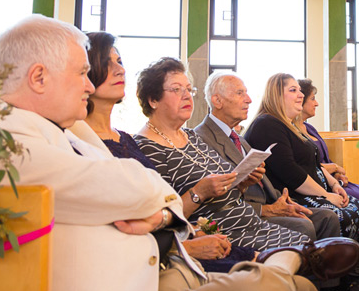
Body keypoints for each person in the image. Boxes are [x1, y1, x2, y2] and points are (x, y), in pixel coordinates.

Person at [0, 15, 345, 291]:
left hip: (163, 266)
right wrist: (162, 209)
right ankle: (288, 260)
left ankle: (288, 260)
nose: (89, 83)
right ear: (39, 78)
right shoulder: (9, 143)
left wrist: (158, 210)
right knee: (275, 289)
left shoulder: (69, 132)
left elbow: (148, 189)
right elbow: (140, 187)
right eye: (82, 73)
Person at [73, 32, 256, 271]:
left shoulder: (126, 139)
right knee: (283, 275)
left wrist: (192, 229)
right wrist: (184, 240)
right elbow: (128, 222)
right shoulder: (84, 142)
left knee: (284, 263)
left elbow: (162, 206)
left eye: (120, 62)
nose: (120, 70)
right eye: (107, 63)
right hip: (160, 255)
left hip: (191, 234)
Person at [133, 58, 312, 251]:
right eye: (177, 89)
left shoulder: (192, 137)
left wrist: (242, 184)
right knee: (304, 252)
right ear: (153, 100)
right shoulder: (146, 147)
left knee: (311, 247)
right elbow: (161, 218)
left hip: (249, 223)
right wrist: (199, 193)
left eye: (189, 90)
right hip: (220, 234)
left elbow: (225, 191)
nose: (187, 96)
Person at [194, 70, 342, 242]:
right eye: (240, 93)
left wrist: (284, 202)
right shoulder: (201, 139)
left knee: (327, 218)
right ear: (217, 100)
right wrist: (268, 209)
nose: (249, 99)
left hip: (270, 203)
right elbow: (216, 202)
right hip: (243, 216)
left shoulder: (239, 140)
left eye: (247, 93)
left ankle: (335, 267)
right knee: (305, 225)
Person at [245, 74, 359, 241]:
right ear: (277, 95)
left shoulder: (289, 125)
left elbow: (315, 163)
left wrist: (334, 185)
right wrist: (326, 195)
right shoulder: (267, 124)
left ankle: (348, 261)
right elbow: (290, 172)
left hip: (313, 191)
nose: (301, 94)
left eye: (300, 90)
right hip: (292, 196)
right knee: (343, 215)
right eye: (293, 90)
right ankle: (335, 262)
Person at [295, 78, 359, 263]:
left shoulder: (309, 128)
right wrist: (333, 168)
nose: (316, 103)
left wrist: (336, 176)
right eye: (312, 98)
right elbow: (308, 165)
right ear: (300, 102)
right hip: (319, 185)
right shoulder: (293, 130)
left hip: (332, 180)